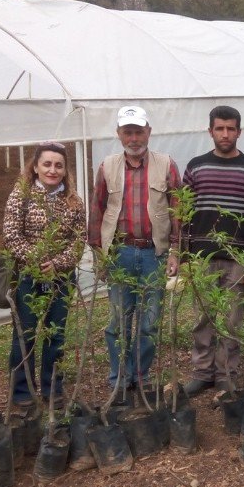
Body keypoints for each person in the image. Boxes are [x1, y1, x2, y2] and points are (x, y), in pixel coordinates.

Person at [88, 105, 181, 393]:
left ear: (149, 132)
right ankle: (118, 379)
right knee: (118, 321)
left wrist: (176, 251)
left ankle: (141, 377)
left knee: (149, 323)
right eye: (128, 132)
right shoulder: (107, 167)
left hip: (155, 254)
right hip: (120, 254)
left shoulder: (167, 165)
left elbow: (179, 210)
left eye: (139, 131)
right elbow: (97, 212)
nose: (134, 138)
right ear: (118, 134)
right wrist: (99, 256)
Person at [182, 106, 244, 396]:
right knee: (201, 317)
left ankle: (226, 373)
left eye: (231, 129)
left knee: (233, 319)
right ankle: (203, 371)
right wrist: (185, 256)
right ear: (210, 131)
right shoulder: (196, 167)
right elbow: (185, 213)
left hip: (238, 258)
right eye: (220, 128)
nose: (225, 134)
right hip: (202, 257)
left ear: (239, 132)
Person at [3, 141, 86, 407]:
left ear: (65, 170)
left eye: (58, 165)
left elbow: (78, 241)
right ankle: (22, 392)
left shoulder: (73, 202)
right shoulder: (21, 195)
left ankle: (53, 390)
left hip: (60, 279)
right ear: (36, 167)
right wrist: (37, 260)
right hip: (28, 276)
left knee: (55, 334)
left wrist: (59, 263)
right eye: (47, 164)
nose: (52, 170)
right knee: (24, 333)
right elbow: (11, 235)